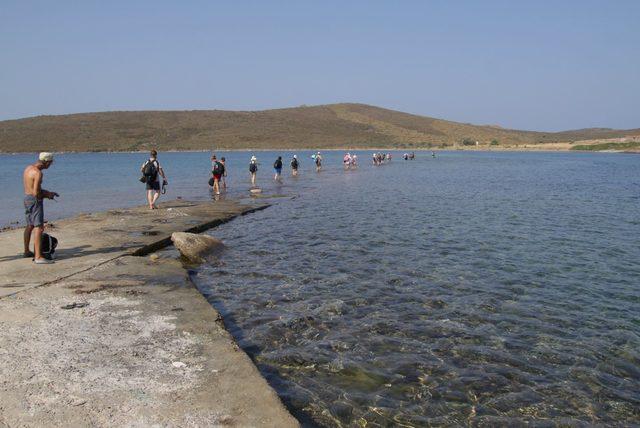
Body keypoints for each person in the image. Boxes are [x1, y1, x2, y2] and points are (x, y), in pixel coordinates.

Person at [23, 152, 59, 264]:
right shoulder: (38, 173)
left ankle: (26, 251)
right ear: (46, 162)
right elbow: (36, 193)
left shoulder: (28, 168)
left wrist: (47, 192)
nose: (50, 165)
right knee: (39, 227)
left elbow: (31, 190)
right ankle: (38, 257)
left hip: (27, 199)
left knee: (30, 225)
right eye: (50, 163)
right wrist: (48, 195)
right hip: (35, 201)